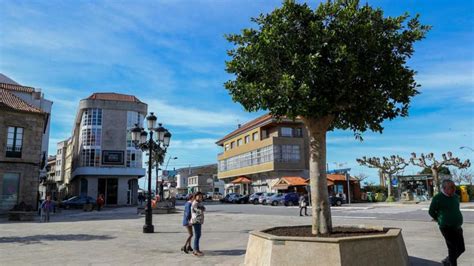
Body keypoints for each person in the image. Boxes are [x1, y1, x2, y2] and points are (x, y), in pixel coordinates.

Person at [429, 179, 465, 266]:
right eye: (451, 187)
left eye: (454, 187)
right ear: (444, 188)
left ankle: (447, 261)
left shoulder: (456, 197)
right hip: (446, 227)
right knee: (452, 249)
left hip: (457, 226)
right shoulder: (438, 198)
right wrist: (439, 219)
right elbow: (431, 211)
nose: (454, 189)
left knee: (461, 248)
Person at [191, 191, 205, 256]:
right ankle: (195, 250)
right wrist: (201, 209)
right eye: (199, 196)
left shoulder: (199, 203)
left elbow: (204, 209)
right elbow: (199, 211)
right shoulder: (195, 203)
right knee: (197, 235)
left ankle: (196, 249)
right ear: (195, 197)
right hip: (196, 221)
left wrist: (202, 208)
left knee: (198, 235)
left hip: (199, 221)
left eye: (201, 196)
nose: (200, 198)